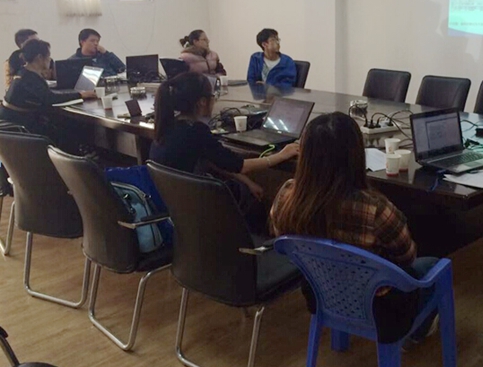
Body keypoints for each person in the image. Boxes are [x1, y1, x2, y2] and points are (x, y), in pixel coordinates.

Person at [269, 112, 439, 345]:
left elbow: (281, 239)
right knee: (433, 265)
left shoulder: (286, 197)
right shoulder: (376, 209)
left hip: (319, 296)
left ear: (305, 156)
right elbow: (407, 257)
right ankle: (415, 334)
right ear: (356, 156)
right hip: (381, 312)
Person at [149, 72, 298, 231]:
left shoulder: (168, 125)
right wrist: (281, 155)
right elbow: (240, 165)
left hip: (172, 204)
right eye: (213, 96)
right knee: (250, 201)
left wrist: (247, 182)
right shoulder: (196, 131)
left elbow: (217, 160)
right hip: (195, 207)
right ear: (202, 102)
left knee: (242, 188)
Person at [0, 39, 95, 142]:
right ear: (40, 57)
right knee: (73, 128)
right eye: (48, 56)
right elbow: (50, 98)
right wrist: (80, 94)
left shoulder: (23, 72)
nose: (50, 59)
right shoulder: (29, 78)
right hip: (23, 127)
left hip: (14, 122)